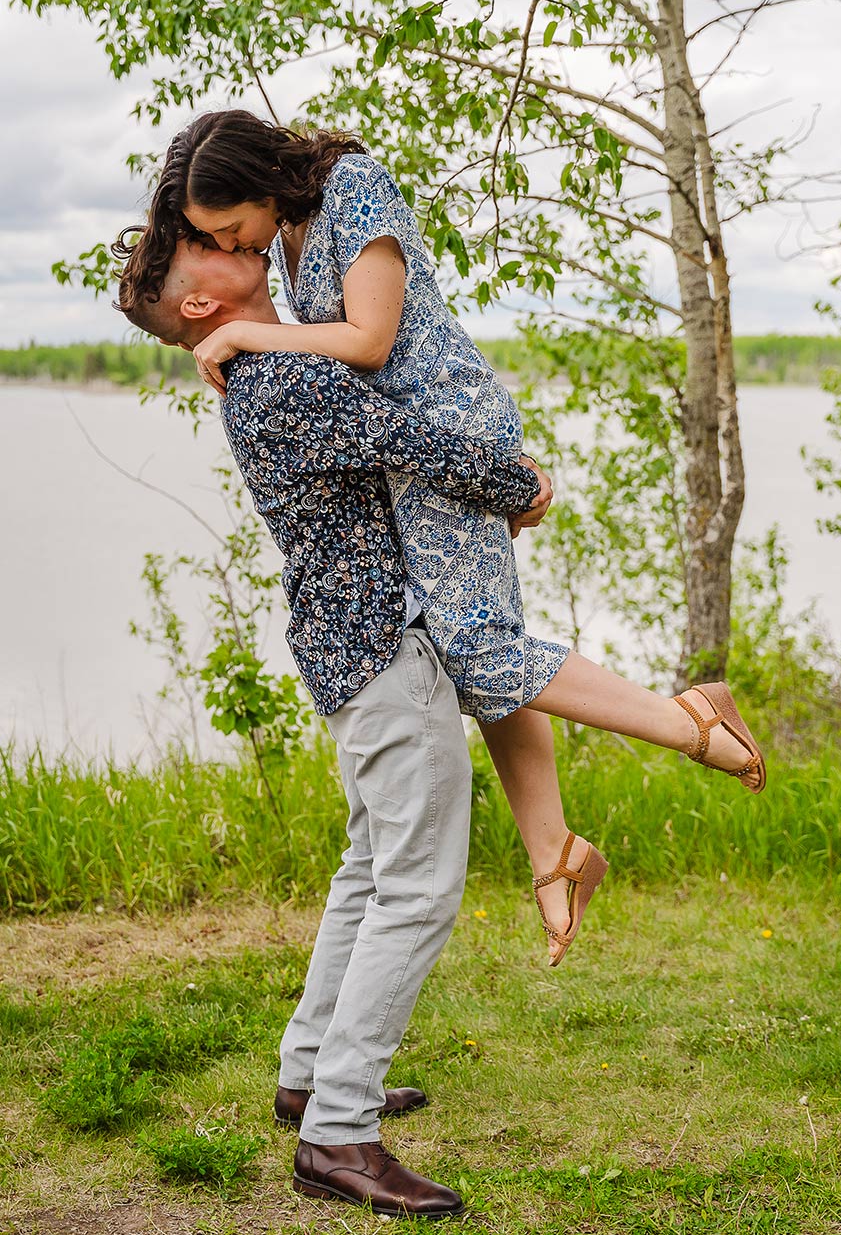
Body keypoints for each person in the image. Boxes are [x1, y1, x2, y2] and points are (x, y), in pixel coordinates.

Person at [120, 111, 766, 967]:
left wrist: (241, 332)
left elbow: (370, 339)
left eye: (229, 227)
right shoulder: (289, 235)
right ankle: (553, 851)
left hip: (447, 432)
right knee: (477, 645)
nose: (232, 244)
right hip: (412, 453)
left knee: (479, 645)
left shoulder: (355, 187)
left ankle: (690, 721)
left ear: (261, 185)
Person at [119, 234, 551, 1217]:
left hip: (345, 639)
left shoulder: (263, 364)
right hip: (377, 644)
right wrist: (520, 481)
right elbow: (421, 445)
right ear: (197, 305)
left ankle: (310, 1073)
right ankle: (338, 1133)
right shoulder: (280, 380)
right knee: (417, 885)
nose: (242, 243)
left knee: (369, 863)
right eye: (214, 248)